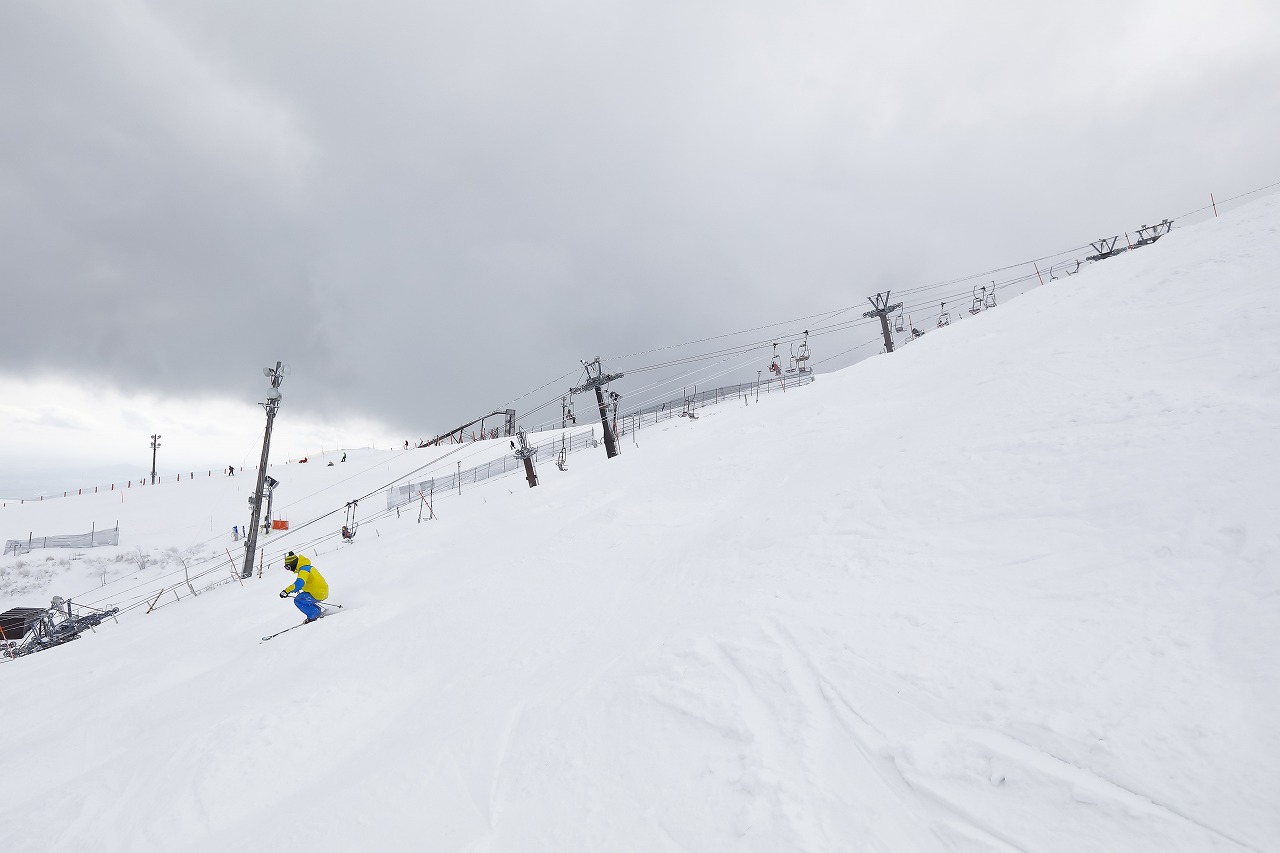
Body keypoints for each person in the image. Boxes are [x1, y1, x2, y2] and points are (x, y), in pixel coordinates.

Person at [279, 551, 329, 623]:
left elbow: (300, 583)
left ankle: (314, 615)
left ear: (293, 563)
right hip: (322, 591)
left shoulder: (303, 570)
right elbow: (309, 582)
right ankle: (316, 612)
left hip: (318, 593)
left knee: (298, 600)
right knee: (302, 597)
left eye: (288, 567)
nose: (289, 570)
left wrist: (287, 591)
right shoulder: (306, 567)